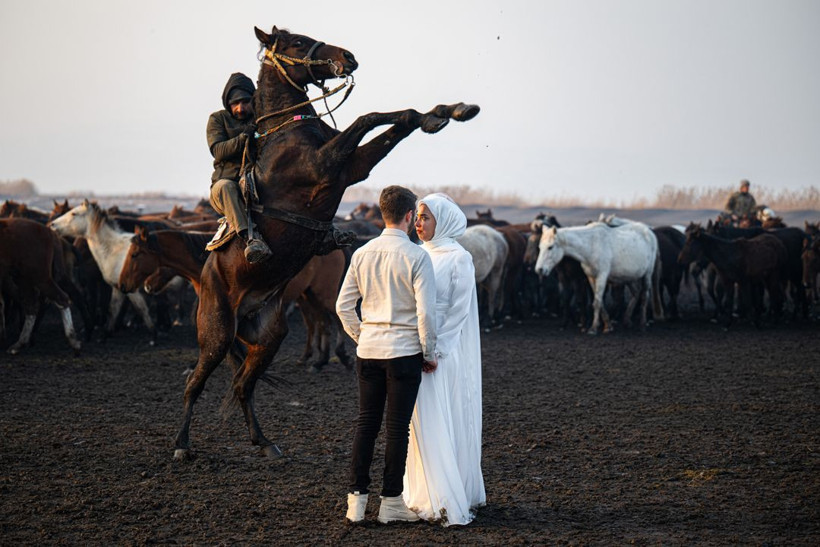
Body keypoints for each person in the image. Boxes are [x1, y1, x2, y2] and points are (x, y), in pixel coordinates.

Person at [336, 185, 438, 525]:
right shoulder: (417, 256)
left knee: (366, 425)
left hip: (369, 352)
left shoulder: (362, 253)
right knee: (397, 430)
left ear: (382, 213)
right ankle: (391, 502)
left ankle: (356, 502)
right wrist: (430, 351)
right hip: (404, 353)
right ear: (410, 216)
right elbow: (426, 313)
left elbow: (343, 306)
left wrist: (363, 335)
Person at [403, 193, 486, 526]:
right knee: (419, 418)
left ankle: (447, 492)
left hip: (443, 352)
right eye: (418, 217)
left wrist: (436, 350)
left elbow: (458, 311)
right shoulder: (418, 254)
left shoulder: (458, 257)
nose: (419, 223)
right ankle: (422, 490)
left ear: (444, 221)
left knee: (441, 413)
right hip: (415, 345)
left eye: (426, 217)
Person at [207, 72, 272, 263]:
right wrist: (244, 137)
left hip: (255, 188)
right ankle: (250, 238)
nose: (240, 108)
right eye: (235, 103)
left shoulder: (261, 119)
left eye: (245, 102)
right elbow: (218, 150)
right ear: (228, 103)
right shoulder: (217, 119)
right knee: (227, 186)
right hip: (224, 192)